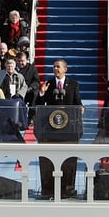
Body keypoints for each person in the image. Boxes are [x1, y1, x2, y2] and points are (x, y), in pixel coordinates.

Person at [37, 59, 83, 198]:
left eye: (58, 67)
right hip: (50, 131)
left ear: (65, 69)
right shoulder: (48, 84)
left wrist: (81, 109)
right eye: (54, 67)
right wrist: (41, 93)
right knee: (49, 161)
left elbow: (78, 103)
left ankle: (67, 190)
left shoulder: (73, 85)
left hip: (68, 131)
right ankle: (48, 190)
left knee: (68, 161)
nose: (55, 69)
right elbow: (39, 105)